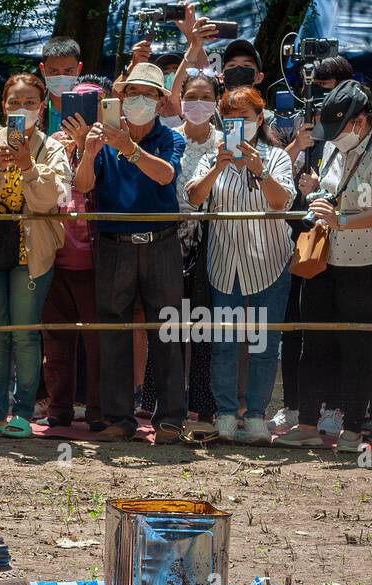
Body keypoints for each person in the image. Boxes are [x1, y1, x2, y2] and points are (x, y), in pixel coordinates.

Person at [277, 81, 372, 452]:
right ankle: (306, 424)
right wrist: (316, 192)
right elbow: (331, 193)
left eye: (340, 128)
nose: (333, 137)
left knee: (357, 345)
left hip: (368, 264)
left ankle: (352, 430)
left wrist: (343, 221)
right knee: (313, 341)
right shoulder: (334, 147)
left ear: (361, 121)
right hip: (323, 260)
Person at [73, 61, 186, 444]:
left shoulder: (170, 138)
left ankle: (170, 419)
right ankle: (119, 419)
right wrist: (87, 152)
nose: (139, 100)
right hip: (114, 247)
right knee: (114, 333)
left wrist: (129, 148)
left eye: (149, 94)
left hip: (162, 244)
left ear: (159, 100)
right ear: (119, 99)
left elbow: (165, 175)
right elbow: (83, 184)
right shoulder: (103, 139)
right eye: (132, 93)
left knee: (167, 331)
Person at [0, 73, 72, 438]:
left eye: (29, 103)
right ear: (3, 106)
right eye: (13, 103)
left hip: (33, 247)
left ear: (41, 108)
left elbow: (53, 198)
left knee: (23, 331)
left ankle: (23, 410)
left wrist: (27, 166)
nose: (20, 109)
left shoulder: (51, 147)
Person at [185, 85, 294, 445]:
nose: (238, 124)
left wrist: (259, 170)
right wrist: (218, 166)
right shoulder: (212, 156)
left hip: (270, 261)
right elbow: (194, 197)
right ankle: (226, 413)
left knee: (265, 341)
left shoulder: (276, 156)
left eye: (245, 118)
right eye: (230, 118)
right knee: (225, 341)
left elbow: (282, 203)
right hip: (224, 260)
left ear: (259, 118)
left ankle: (258, 414)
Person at [40, 78, 105, 431]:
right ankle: (59, 408)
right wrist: (65, 150)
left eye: (90, 104)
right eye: (74, 105)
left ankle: (97, 410)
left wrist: (87, 148)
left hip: (96, 259)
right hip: (55, 255)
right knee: (56, 340)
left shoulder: (109, 145)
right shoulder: (50, 145)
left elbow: (88, 186)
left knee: (97, 341)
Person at [171, 66, 223, 442]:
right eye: (192, 97)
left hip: (212, 241)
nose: (199, 103)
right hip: (169, 240)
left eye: (207, 97)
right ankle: (163, 400)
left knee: (203, 323)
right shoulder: (169, 139)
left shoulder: (226, 143)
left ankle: (204, 401)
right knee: (169, 322)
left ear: (217, 102)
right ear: (180, 100)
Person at [39, 36, 82, 134]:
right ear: (42, 69)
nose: (61, 77)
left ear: (79, 69)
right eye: (54, 71)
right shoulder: (34, 105)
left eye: (68, 71)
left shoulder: (90, 106)